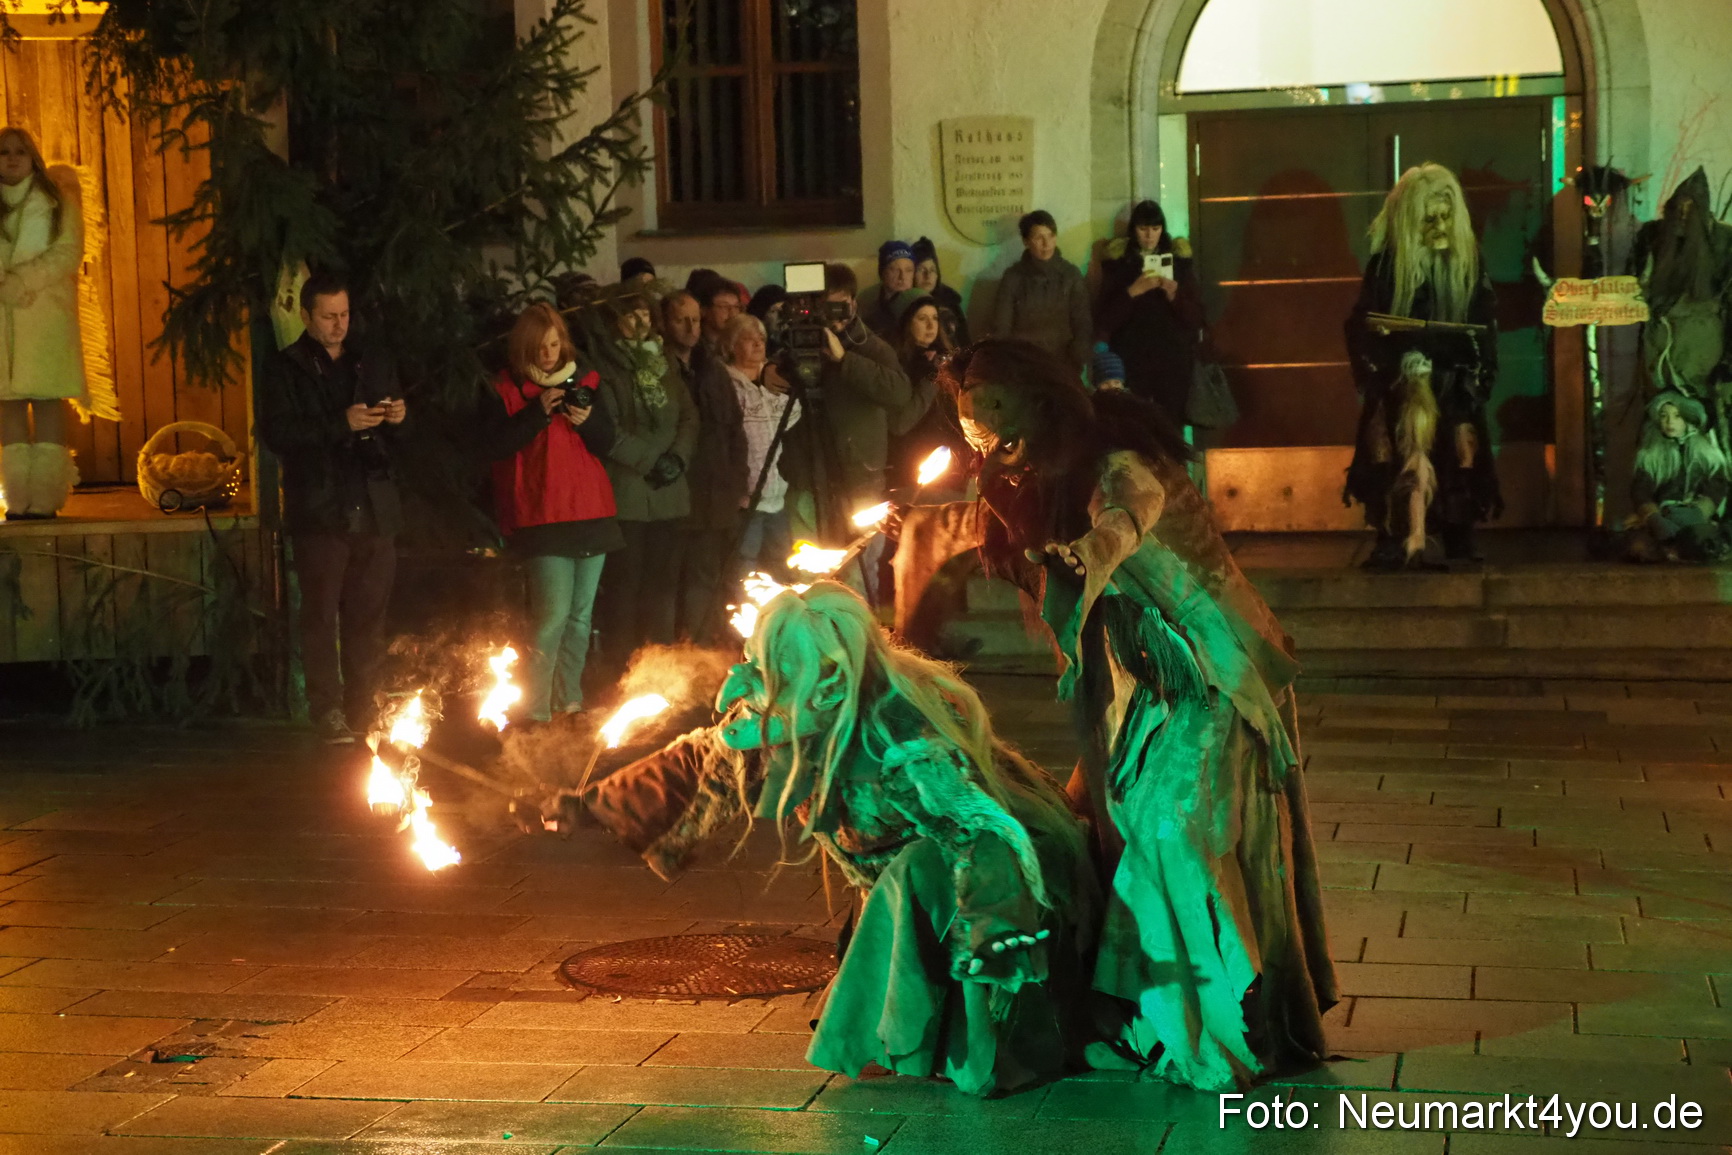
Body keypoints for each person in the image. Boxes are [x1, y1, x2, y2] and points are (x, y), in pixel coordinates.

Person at [892, 339, 1336, 1092]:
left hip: (1208, 677)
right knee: (1091, 833)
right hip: (1134, 692)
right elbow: (982, 534)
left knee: (1174, 829)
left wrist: (1084, 556)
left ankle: (1243, 1008)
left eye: (993, 427)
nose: (983, 446)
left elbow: (1126, 518)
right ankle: (1138, 1016)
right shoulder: (1026, 481)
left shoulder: (1119, 460)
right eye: (972, 433)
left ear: (1036, 406)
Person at [573, 581, 1097, 1097]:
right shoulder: (774, 714)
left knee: (917, 871)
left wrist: (997, 931)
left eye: (770, 665)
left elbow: (977, 832)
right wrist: (592, 805)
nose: (748, 680)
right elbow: (704, 760)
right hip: (897, 872)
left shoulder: (900, 738)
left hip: (968, 874)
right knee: (901, 878)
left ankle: (977, 1041)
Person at [258, 272, 409, 744]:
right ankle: (327, 711)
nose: (339, 324)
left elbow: (397, 430)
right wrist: (338, 423)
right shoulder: (286, 368)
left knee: (369, 614)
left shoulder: (370, 360)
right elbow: (278, 434)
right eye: (328, 316)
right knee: (322, 616)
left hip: (373, 504)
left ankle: (366, 710)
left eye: (344, 314)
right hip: (321, 509)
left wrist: (398, 417)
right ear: (306, 316)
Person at [1345, 163, 1501, 570]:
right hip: (1400, 378)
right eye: (1428, 218)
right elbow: (1362, 323)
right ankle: (1394, 533)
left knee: (1461, 448)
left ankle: (1457, 531)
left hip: (1452, 379)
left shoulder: (1469, 265)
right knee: (1387, 449)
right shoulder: (1386, 266)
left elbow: (1484, 322)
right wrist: (1384, 363)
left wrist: (1478, 371)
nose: (1438, 226)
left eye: (1445, 217)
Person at [480, 302, 621, 722]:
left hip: (590, 511)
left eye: (555, 345)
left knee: (580, 616)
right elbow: (494, 446)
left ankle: (570, 700)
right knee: (552, 618)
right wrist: (536, 413)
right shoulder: (504, 389)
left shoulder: (586, 382)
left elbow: (606, 441)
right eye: (540, 347)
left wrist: (586, 419)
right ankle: (536, 709)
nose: (548, 355)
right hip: (541, 515)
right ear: (524, 347)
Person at [589, 290, 699, 670]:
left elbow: (688, 416)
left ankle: (661, 666)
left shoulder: (664, 362)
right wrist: (652, 460)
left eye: (645, 316)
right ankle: (623, 668)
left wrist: (678, 458)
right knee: (626, 587)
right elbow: (609, 428)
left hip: (669, 491)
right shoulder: (606, 368)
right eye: (631, 317)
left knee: (663, 587)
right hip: (629, 492)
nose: (640, 324)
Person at [0, 127, 102, 519]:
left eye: (20, 152)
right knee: (8, 407)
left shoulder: (57, 201)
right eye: (4, 152)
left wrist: (22, 281)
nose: (12, 158)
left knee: (46, 403)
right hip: (4, 323)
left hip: (44, 319)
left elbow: (67, 252)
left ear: (34, 157)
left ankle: (44, 497)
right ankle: (17, 498)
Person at [782, 264, 914, 556]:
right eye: (823, 307)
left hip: (858, 478)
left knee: (857, 564)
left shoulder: (871, 347)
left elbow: (900, 393)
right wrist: (770, 371)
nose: (831, 317)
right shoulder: (797, 343)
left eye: (838, 307)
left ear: (853, 303)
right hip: (807, 472)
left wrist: (845, 360)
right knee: (808, 564)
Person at [664, 290, 749, 641]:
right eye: (681, 320)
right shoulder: (662, 369)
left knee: (715, 578)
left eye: (696, 319)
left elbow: (733, 428)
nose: (690, 327)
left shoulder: (712, 369)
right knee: (677, 582)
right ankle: (686, 650)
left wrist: (738, 481)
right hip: (679, 495)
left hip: (717, 494)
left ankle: (712, 648)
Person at [1093, 200, 1204, 427]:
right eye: (1143, 229)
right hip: (1132, 357)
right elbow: (1105, 317)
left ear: (1162, 229)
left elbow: (1196, 316)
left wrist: (1174, 294)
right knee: (1136, 423)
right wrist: (1133, 291)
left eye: (1155, 229)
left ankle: (1172, 463)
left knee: (1172, 424)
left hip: (1172, 359)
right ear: (1134, 230)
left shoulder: (1179, 263)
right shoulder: (1119, 264)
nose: (1149, 236)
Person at [720, 313, 799, 581]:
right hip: (746, 501)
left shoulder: (777, 380)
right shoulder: (725, 384)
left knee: (785, 566)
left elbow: (796, 421)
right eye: (747, 339)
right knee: (745, 568)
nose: (757, 344)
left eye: (761, 339)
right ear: (731, 345)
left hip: (779, 497)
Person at [1624, 391, 1729, 563]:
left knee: (1701, 540)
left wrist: (1701, 510)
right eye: (1664, 416)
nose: (1669, 422)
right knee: (1640, 545)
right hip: (1664, 513)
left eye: (1677, 416)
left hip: (1695, 513)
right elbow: (1640, 490)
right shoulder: (1650, 455)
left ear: (1688, 419)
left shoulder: (1706, 454)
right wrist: (1651, 515)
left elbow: (1717, 485)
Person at [992, 210, 1091, 371]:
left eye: (1050, 236)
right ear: (1026, 241)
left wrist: (1077, 357)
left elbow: (1082, 321)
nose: (1046, 244)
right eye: (1039, 238)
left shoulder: (1070, 275)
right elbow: (1002, 326)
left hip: (1063, 361)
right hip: (1025, 362)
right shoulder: (1013, 278)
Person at [888, 289, 956, 490]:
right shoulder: (899, 366)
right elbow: (901, 423)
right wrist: (932, 378)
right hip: (913, 468)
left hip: (949, 468)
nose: (930, 325)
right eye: (922, 318)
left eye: (935, 318)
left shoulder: (949, 360)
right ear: (907, 323)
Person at [911, 236, 970, 347]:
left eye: (932, 270)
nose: (927, 275)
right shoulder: (905, 305)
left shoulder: (950, 303)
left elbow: (965, 343)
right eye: (921, 269)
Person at [861, 239, 916, 338]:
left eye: (908, 270)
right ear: (882, 272)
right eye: (894, 270)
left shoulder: (925, 305)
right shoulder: (866, 305)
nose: (902, 277)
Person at [687, 271, 743, 354]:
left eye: (736, 307)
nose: (732, 313)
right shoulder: (695, 349)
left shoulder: (741, 345)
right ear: (703, 310)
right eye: (724, 306)